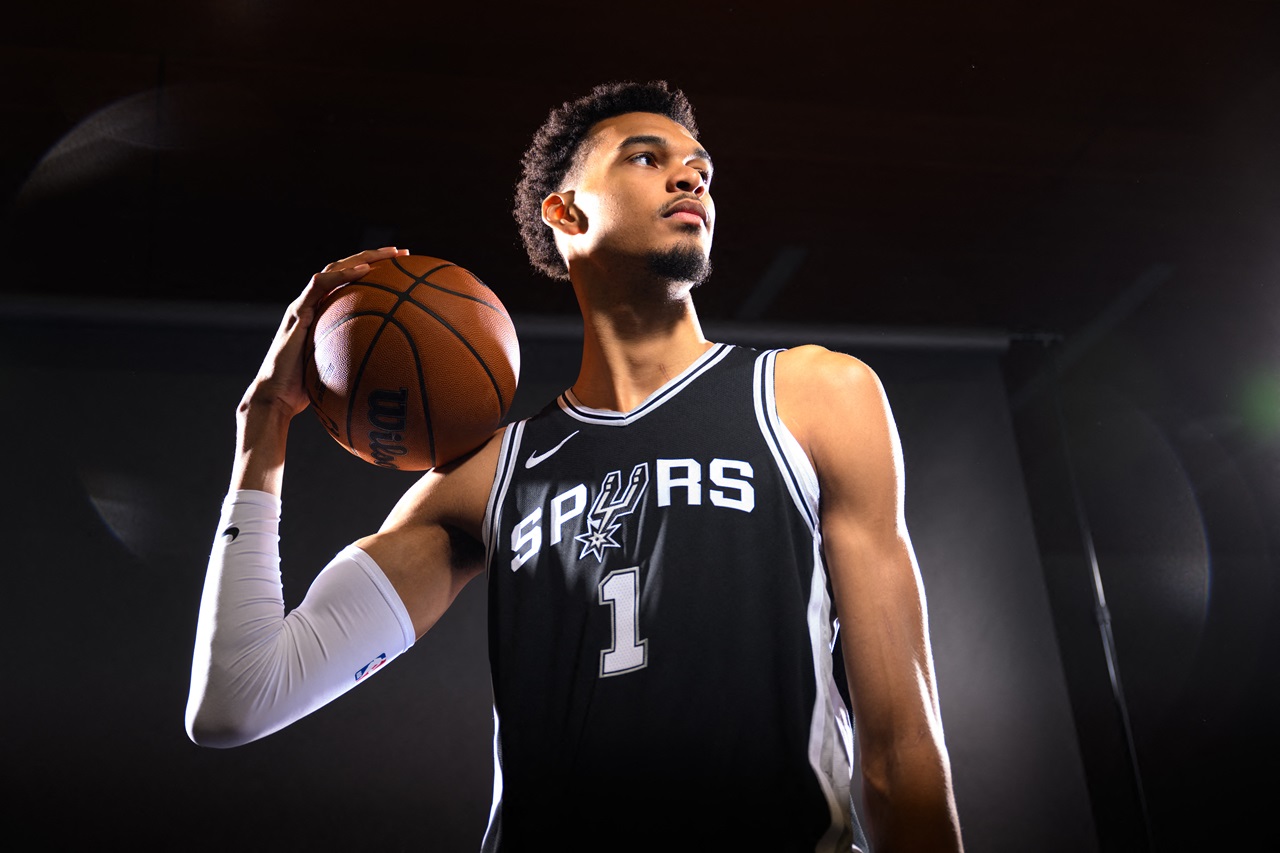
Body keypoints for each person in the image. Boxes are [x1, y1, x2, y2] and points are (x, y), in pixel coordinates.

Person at [186, 81, 963, 852]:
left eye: (701, 167)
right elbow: (238, 699)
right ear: (565, 210)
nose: (691, 177)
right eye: (646, 157)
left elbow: (901, 754)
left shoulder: (813, 395)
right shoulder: (490, 476)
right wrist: (263, 428)